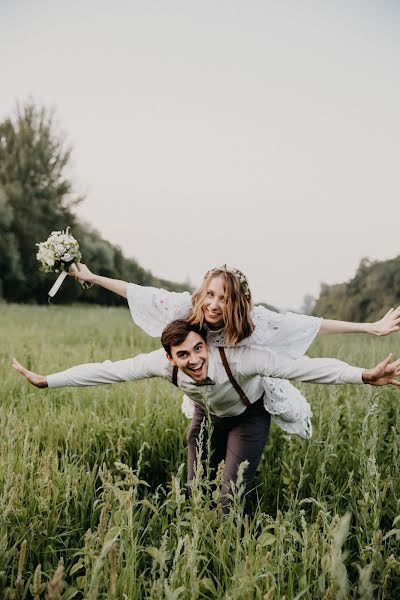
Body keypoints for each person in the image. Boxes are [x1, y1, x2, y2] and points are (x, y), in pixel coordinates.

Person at [12, 319, 400, 512]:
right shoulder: (162, 365)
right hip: (205, 416)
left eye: (199, 349)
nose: (194, 360)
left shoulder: (242, 358)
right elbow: (107, 370)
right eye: (184, 355)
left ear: (206, 343)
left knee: (230, 496)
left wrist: (364, 375)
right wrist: (49, 380)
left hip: (248, 417)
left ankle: (232, 540)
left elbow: (305, 368)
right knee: (196, 490)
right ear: (171, 358)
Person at [66, 263, 400, 438]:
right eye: (210, 294)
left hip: (246, 389)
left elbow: (310, 324)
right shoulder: (186, 307)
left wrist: (368, 328)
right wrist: (93, 278)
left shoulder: (256, 321)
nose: (213, 304)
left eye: (223, 298)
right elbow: (137, 292)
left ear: (235, 303)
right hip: (207, 392)